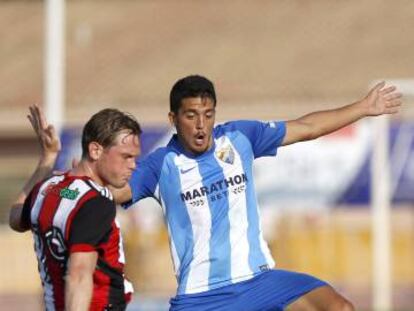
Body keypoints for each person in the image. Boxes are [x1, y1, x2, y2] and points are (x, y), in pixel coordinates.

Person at [115, 75, 401, 311]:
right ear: (173, 118)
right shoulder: (161, 164)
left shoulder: (240, 137)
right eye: (191, 116)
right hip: (202, 298)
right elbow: (110, 193)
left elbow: (307, 128)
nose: (201, 125)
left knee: (339, 308)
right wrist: (73, 187)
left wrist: (363, 107)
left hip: (260, 282)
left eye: (208, 114)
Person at [9, 105, 142, 311]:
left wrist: (48, 157)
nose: (133, 165)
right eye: (126, 156)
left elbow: (16, 218)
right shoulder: (95, 202)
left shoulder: (49, 188)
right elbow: (79, 276)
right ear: (95, 150)